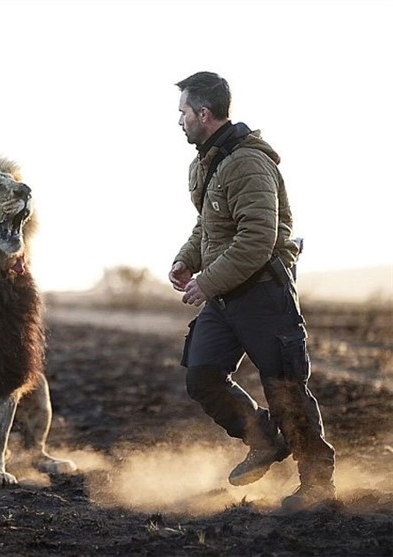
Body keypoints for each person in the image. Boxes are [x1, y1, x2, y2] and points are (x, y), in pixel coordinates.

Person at [169, 71, 336, 511]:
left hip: (263, 294)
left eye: (183, 112)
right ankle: (263, 441)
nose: (178, 120)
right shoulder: (209, 161)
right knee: (202, 375)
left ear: (203, 113)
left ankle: (318, 485)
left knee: (286, 389)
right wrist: (187, 258)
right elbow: (210, 224)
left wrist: (207, 281)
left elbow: (257, 239)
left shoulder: (247, 162)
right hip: (225, 300)